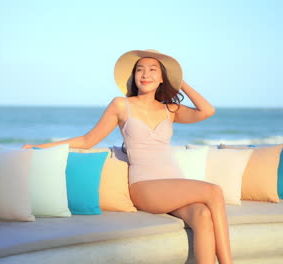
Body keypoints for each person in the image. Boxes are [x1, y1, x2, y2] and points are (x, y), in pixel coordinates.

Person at [23, 49, 233, 264]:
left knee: (202, 216)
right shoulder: (121, 105)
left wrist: (180, 82)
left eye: (153, 70)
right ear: (133, 77)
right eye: (140, 70)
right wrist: (39, 146)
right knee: (214, 191)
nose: (145, 74)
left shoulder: (169, 109)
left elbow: (207, 111)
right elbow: (87, 140)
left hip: (173, 188)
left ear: (162, 78)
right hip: (146, 187)